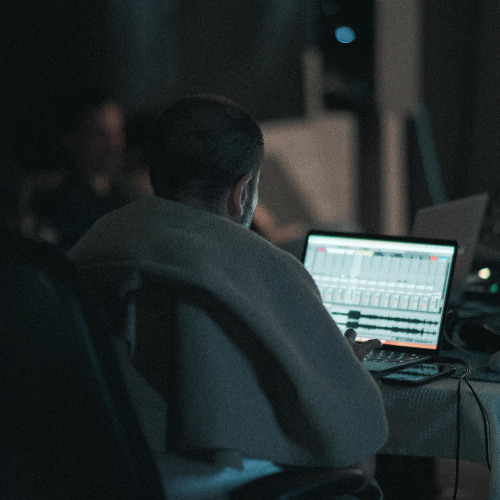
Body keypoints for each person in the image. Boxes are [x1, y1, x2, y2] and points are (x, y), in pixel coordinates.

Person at [68, 94, 388, 498]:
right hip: (197, 483)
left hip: (98, 473)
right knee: (358, 464)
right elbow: (350, 433)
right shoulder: (263, 266)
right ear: (243, 191)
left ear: (155, 175)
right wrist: (339, 368)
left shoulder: (94, 246)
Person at [31, 90, 145, 252]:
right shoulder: (55, 201)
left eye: (118, 132)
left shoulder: (130, 196)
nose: (113, 144)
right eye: (99, 135)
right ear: (72, 139)